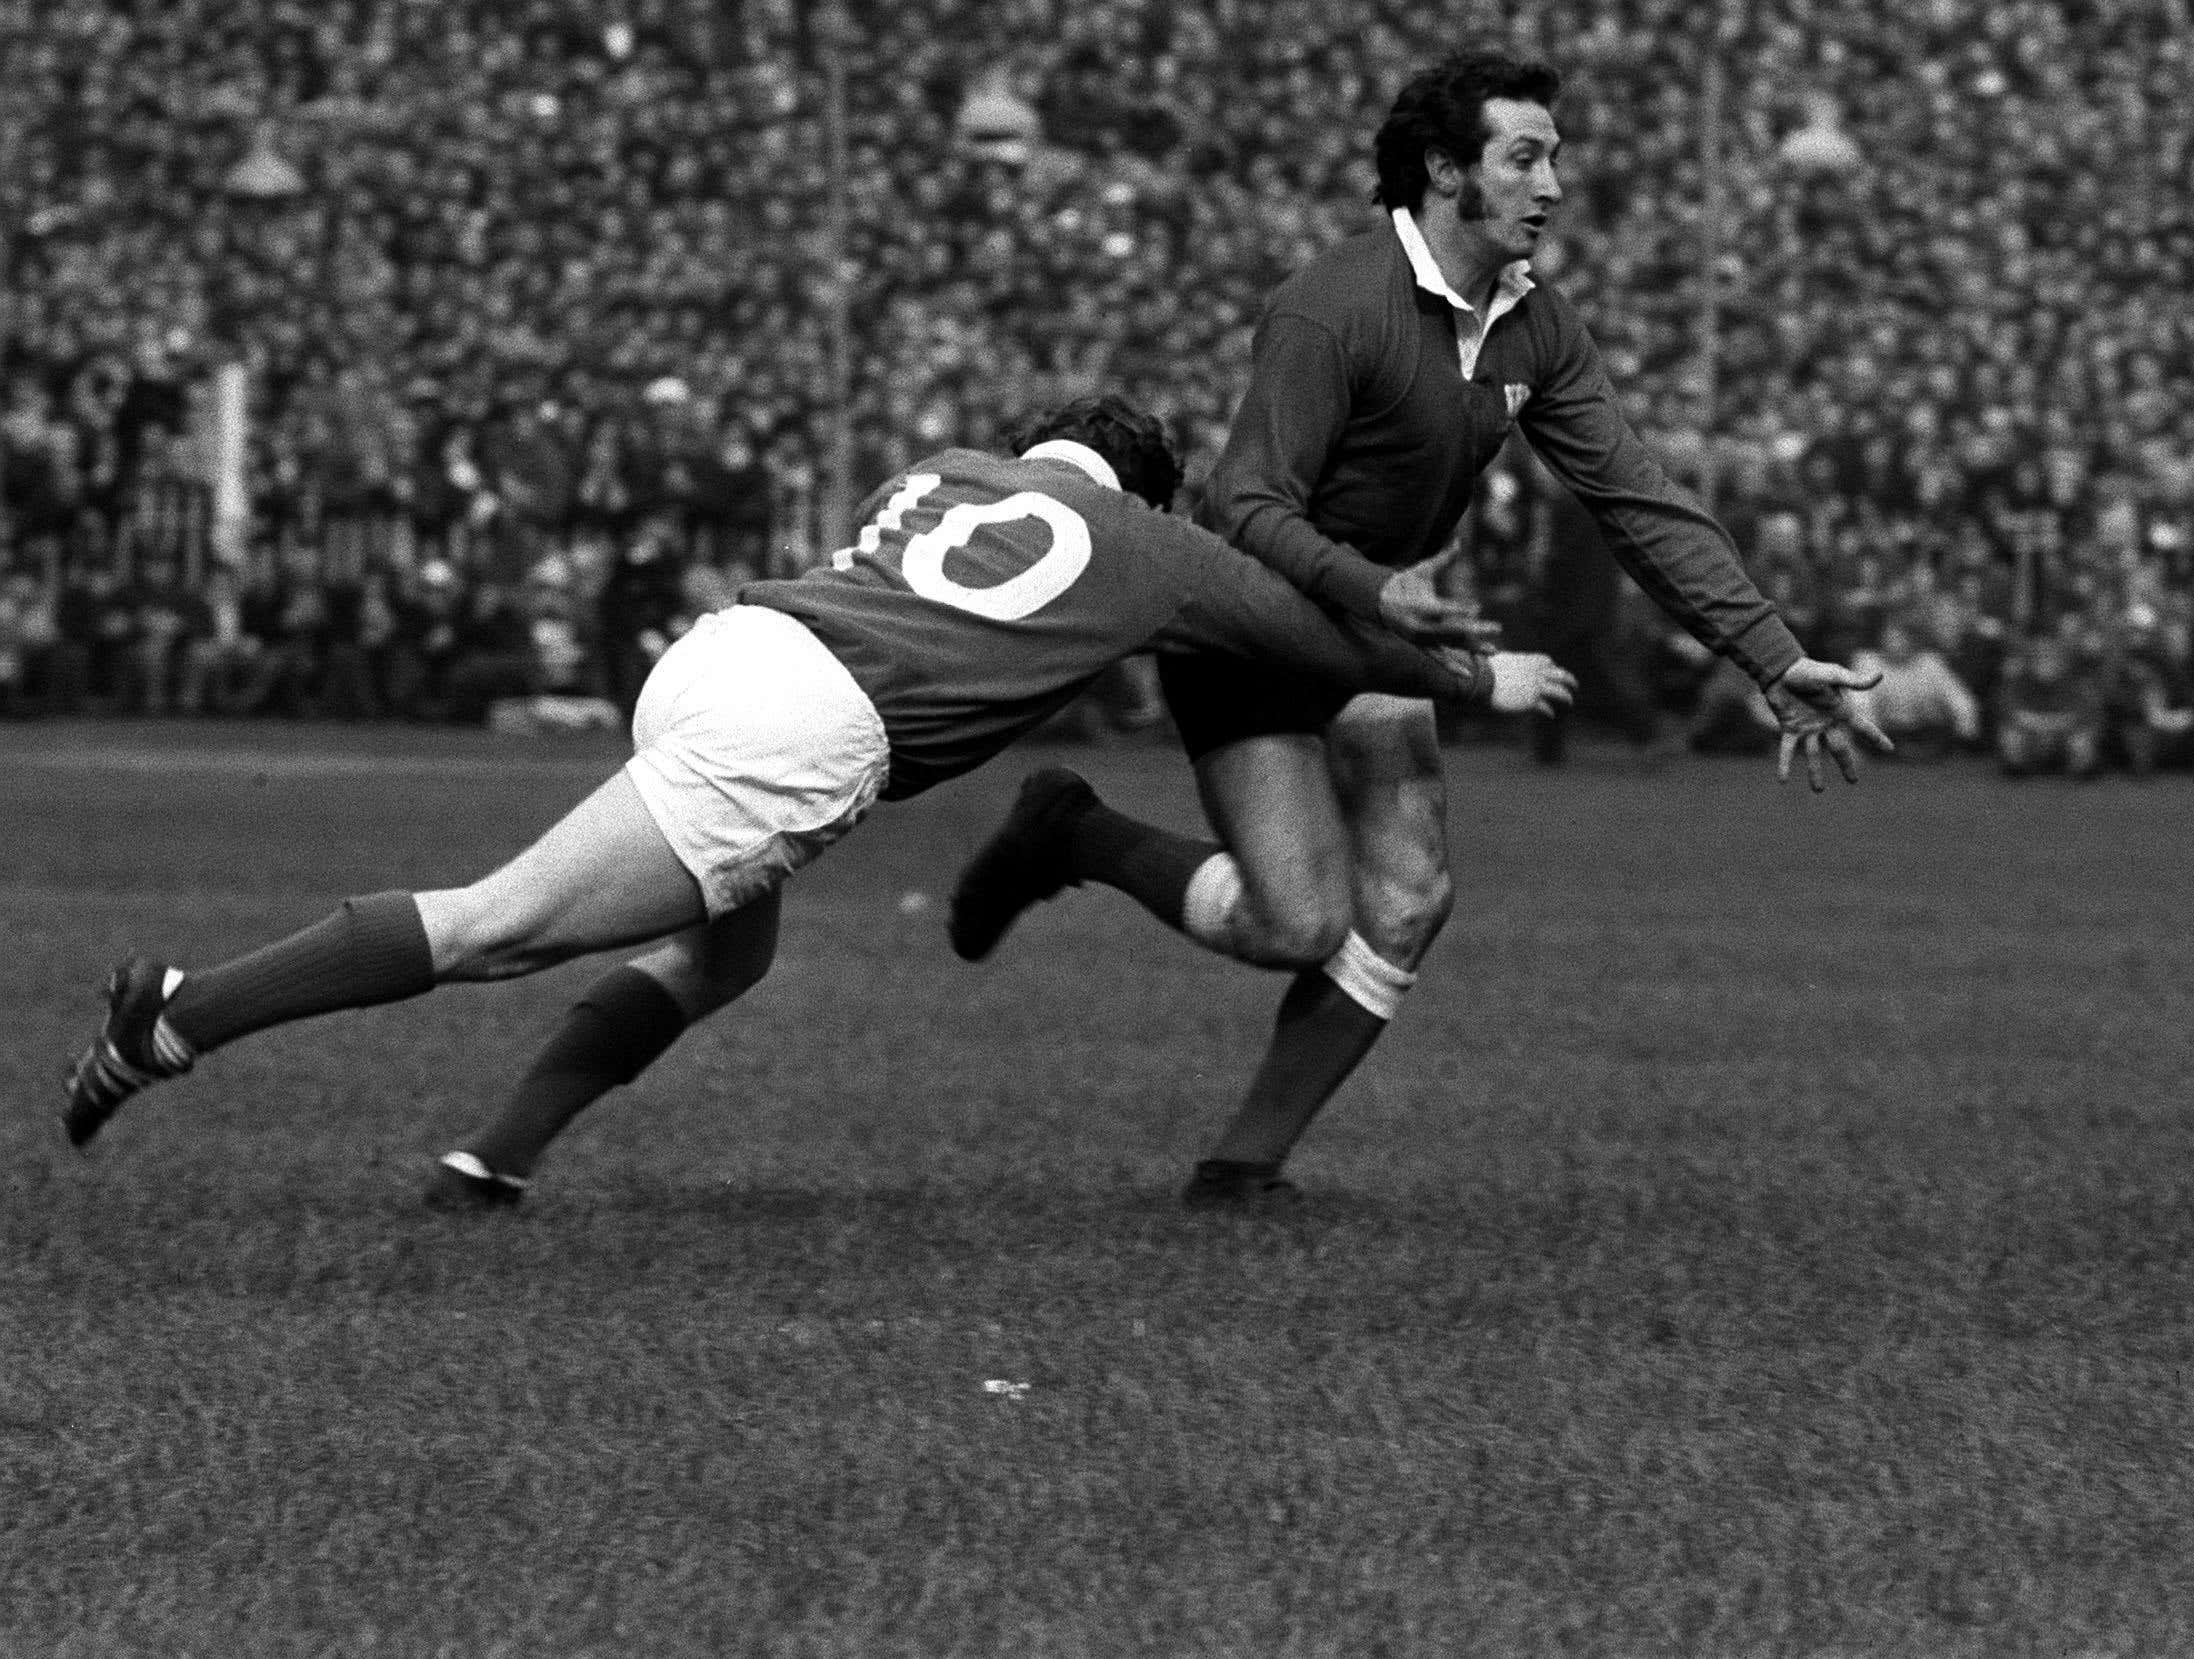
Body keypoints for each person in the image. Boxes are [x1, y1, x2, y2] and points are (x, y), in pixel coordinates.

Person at [60, 396, 1576, 1205]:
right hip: (805, 732)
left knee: (731, 950)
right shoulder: (1150, 542)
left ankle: (495, 1159)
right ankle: (179, 1011)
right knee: (502, 924)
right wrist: (1476, 682)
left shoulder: (948, 463)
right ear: (1147, 489)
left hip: (727, 650)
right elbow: (1314, 637)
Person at [944, 51, 1890, 1212]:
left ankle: (1240, 1171)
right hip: (1249, 629)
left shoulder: (1534, 326)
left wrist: (1774, 657)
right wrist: (1377, 591)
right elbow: (1244, 503)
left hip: (1370, 631)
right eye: (1524, 158)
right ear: (1445, 172)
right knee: (1296, 925)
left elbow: (1638, 503)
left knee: (1410, 893)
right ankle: (1071, 833)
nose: (1552, 185)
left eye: (1555, 158)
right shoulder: (1331, 307)